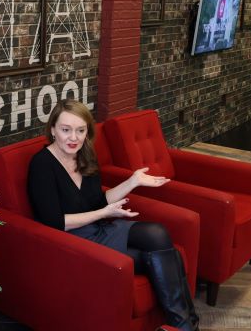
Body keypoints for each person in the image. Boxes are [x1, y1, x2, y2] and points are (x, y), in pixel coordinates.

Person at [27, 99, 199, 331]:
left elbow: (98, 200)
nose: (73, 138)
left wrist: (133, 181)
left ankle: (184, 326)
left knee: (158, 234)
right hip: (71, 239)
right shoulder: (42, 164)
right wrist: (103, 213)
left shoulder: (85, 154)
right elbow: (54, 222)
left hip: (99, 227)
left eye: (80, 130)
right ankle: (186, 326)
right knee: (172, 257)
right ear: (53, 130)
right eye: (65, 130)